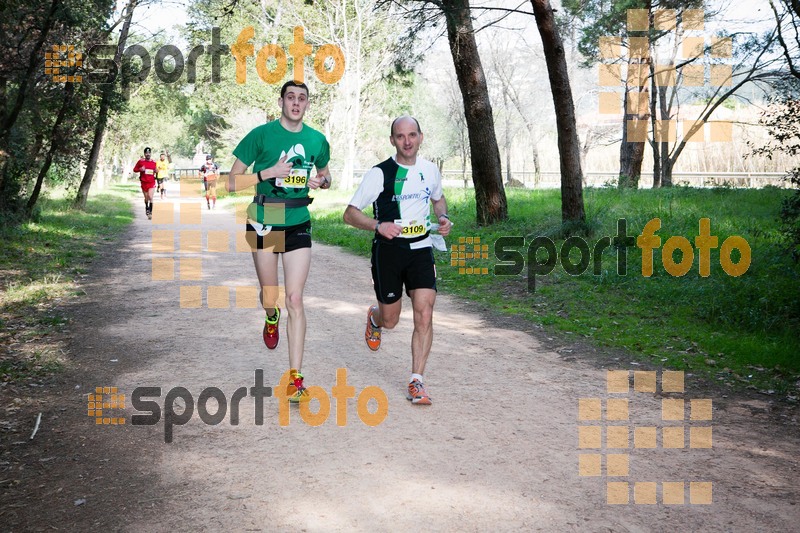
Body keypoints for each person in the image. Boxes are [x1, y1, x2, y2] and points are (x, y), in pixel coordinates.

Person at [227, 80, 332, 403]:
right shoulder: (261, 135)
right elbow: (231, 182)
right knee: (270, 295)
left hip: (298, 219)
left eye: (302, 99)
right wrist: (267, 173)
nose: (296, 103)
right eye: (291, 98)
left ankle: (295, 378)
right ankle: (270, 315)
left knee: (296, 299)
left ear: (308, 104)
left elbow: (327, 176)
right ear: (281, 102)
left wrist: (322, 181)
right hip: (263, 218)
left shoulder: (317, 140)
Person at [343, 116, 452, 406]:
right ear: (392, 140)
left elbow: (438, 199)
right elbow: (350, 213)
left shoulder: (430, 170)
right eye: (400, 136)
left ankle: (417, 381)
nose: (407, 141)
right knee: (390, 320)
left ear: (421, 137)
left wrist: (442, 216)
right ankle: (375, 317)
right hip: (389, 251)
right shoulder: (380, 173)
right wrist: (378, 225)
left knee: (425, 313)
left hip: (420, 248)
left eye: (412, 135)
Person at [133, 147, 158, 220]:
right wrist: (140, 169)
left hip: (151, 182)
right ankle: (146, 207)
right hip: (144, 182)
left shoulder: (154, 162)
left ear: (150, 154)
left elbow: (156, 170)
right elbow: (134, 169)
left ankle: (150, 212)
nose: (148, 154)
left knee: (150, 196)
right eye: (146, 153)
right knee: (146, 197)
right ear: (144, 154)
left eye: (149, 153)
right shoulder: (141, 162)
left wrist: (156, 171)